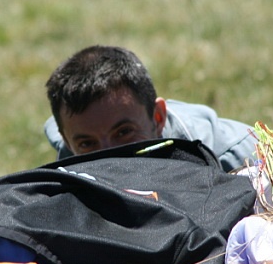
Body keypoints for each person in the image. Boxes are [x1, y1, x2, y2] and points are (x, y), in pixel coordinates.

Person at [43, 45, 258, 172]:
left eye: (124, 132)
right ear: (67, 140)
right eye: (87, 143)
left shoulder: (241, 162)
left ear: (158, 117)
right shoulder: (73, 148)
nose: (108, 158)